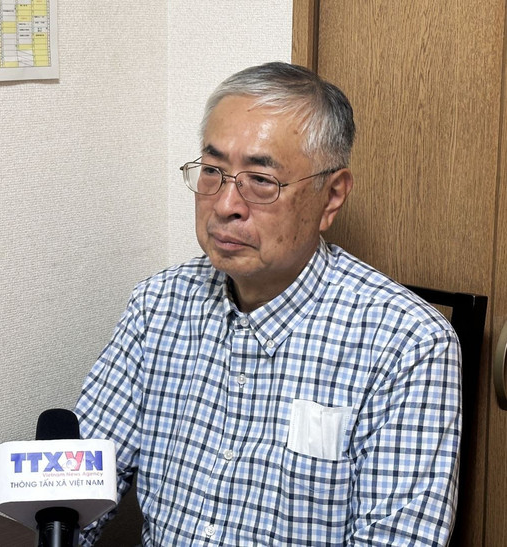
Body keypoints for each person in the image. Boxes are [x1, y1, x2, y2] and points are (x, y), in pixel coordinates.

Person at [74, 62, 461, 546]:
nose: (224, 204)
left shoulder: (409, 342)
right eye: (213, 171)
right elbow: (77, 493)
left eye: (260, 180)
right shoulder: (157, 305)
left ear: (332, 196)